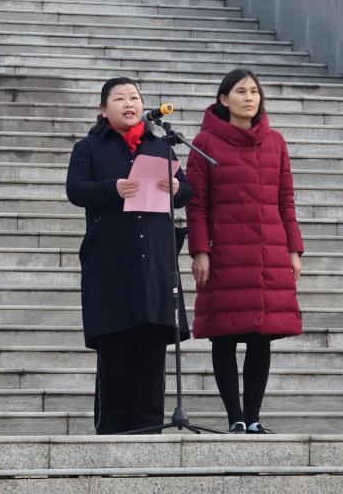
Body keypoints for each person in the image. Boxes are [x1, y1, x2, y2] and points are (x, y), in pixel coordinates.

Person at [66, 77, 191, 434]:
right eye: (119, 98)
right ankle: (113, 433)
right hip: (110, 264)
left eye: (134, 97)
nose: (129, 103)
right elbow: (75, 189)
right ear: (103, 109)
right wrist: (113, 188)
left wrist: (177, 187)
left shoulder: (160, 147)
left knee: (151, 351)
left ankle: (149, 430)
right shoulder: (89, 147)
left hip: (154, 263)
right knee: (115, 353)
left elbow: (187, 192)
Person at [185, 69, 303, 434]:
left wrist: (294, 249)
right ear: (224, 99)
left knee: (261, 337)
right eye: (241, 91)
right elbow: (196, 205)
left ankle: (253, 418)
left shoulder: (275, 142)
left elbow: (286, 201)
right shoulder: (204, 143)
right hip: (224, 253)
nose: (249, 97)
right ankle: (234, 417)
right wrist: (200, 251)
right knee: (223, 335)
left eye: (254, 91)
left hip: (268, 251)